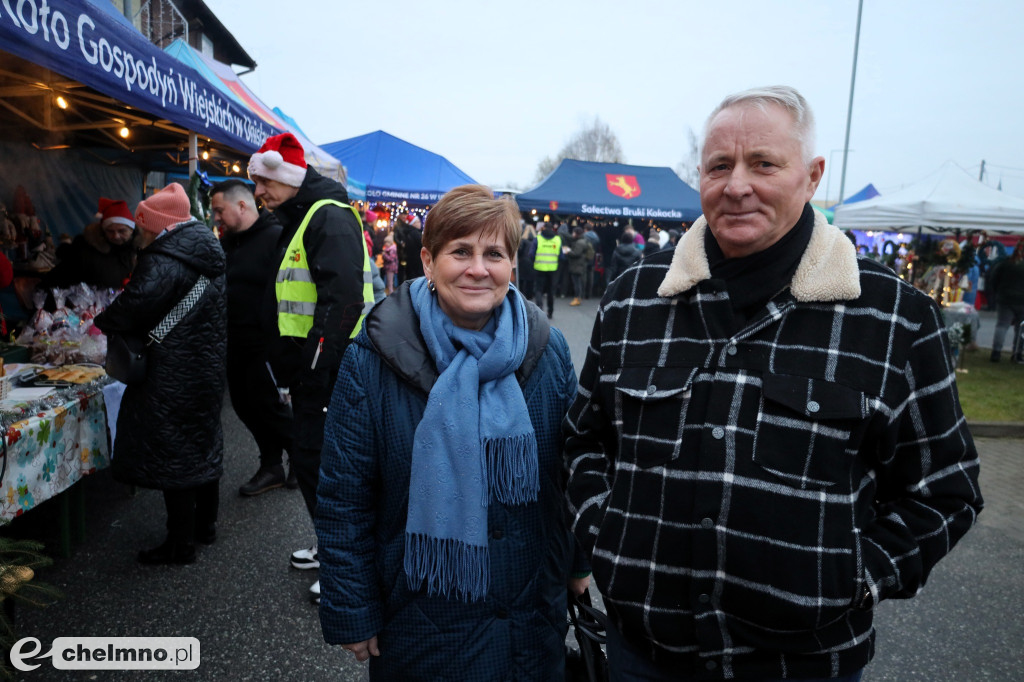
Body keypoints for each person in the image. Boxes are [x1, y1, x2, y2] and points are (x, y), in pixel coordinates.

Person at [564, 86, 983, 681]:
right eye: (718, 166)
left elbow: (946, 487)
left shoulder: (893, 317)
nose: (737, 185)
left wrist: (858, 576)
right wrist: (608, 538)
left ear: (811, 177)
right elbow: (584, 440)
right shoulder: (635, 297)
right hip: (645, 654)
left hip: (803, 664)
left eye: (763, 163)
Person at [316, 185, 589, 679]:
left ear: (512, 265)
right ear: (428, 260)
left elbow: (573, 474)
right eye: (460, 251)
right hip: (422, 619)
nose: (478, 268)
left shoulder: (548, 351)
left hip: (531, 616)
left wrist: (577, 565)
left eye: (494, 254)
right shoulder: (373, 358)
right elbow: (344, 495)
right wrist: (352, 608)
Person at [248, 132, 375, 601]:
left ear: (287, 176)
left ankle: (344, 564)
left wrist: (315, 366)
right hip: (313, 372)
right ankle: (332, 546)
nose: (258, 193)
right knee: (313, 461)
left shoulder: (329, 217)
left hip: (328, 372)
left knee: (324, 465)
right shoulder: (303, 215)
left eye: (263, 182)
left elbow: (343, 301)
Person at [95, 183, 227, 565]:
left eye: (142, 225)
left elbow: (134, 305)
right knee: (202, 443)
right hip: (204, 366)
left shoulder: (163, 258)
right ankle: (206, 526)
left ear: (155, 224)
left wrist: (102, 320)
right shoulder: (206, 249)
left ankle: (179, 543)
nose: (140, 233)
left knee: (176, 455)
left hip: (172, 372)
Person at [209, 180, 296, 496]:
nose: (216, 217)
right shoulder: (229, 242)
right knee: (245, 407)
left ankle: (301, 456)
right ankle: (272, 465)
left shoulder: (274, 238)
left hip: (264, 343)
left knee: (268, 406)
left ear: (242, 206)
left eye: (220, 210)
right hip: (234, 339)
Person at [41, 198, 137, 289]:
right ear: (103, 231)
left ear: (131, 230)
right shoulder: (87, 250)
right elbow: (60, 276)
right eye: (110, 231)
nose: (116, 236)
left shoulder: (140, 251)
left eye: (122, 231)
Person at [988, 238, 1024, 362]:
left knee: (1002, 325)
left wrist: (997, 292)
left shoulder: (1005, 262)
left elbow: (994, 278)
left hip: (1004, 298)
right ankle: (1017, 353)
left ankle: (996, 352)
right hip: (1022, 301)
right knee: (1021, 328)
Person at [533, 221, 560, 318]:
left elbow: (531, 254)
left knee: (538, 289)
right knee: (550, 291)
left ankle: (539, 309)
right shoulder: (557, 239)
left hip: (539, 268)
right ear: (553, 228)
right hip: (553, 269)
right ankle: (550, 312)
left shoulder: (538, 239)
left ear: (543, 228)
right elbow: (561, 255)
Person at [566, 224, 594, 306]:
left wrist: (568, 251)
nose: (572, 234)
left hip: (577, 265)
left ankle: (577, 298)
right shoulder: (584, 240)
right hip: (581, 264)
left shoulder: (579, 242)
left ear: (576, 233)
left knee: (577, 283)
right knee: (579, 282)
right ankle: (579, 297)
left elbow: (576, 253)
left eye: (573, 233)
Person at [394, 213, 424, 284]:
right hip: (417, 262)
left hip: (411, 261)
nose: (420, 224)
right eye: (417, 222)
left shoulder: (408, 232)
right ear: (413, 224)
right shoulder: (415, 233)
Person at [516, 222, 537, 300]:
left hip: (523, 262)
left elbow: (519, 251)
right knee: (530, 281)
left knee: (521, 280)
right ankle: (529, 296)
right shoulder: (536, 240)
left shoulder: (523, 240)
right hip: (532, 262)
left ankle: (521, 296)